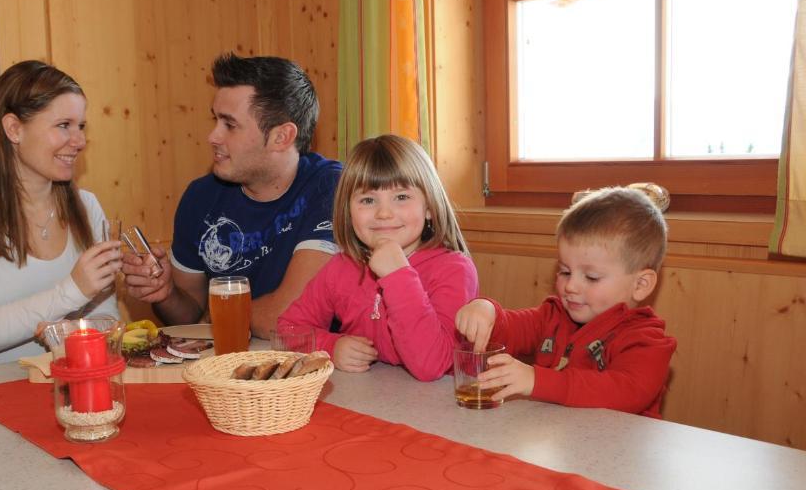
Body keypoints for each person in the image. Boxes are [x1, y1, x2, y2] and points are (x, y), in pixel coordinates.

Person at [122, 53, 342, 338]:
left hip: (322, 369)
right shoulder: (200, 197)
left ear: (282, 137)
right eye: (215, 120)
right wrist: (165, 294)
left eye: (230, 124)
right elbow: (188, 314)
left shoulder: (332, 186)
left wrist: (219, 314)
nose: (212, 136)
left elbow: (286, 319)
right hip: (230, 367)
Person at [0, 60, 122, 369]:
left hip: (59, 388)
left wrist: (76, 331)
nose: (80, 141)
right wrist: (71, 292)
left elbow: (108, 318)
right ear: (14, 129)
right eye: (64, 125)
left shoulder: (87, 206)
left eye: (81, 126)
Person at [454, 186, 676, 417]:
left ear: (640, 285)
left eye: (591, 277)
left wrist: (537, 380)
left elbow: (625, 392)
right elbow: (512, 326)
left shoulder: (646, 342)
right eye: (565, 271)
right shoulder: (554, 315)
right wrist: (487, 312)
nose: (570, 286)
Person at [278, 135, 479, 381]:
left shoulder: (454, 269)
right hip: (375, 403)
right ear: (348, 210)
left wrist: (398, 276)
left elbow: (432, 365)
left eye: (402, 197)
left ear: (429, 207)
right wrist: (332, 346)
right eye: (368, 200)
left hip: (445, 410)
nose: (384, 213)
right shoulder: (342, 266)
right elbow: (288, 331)